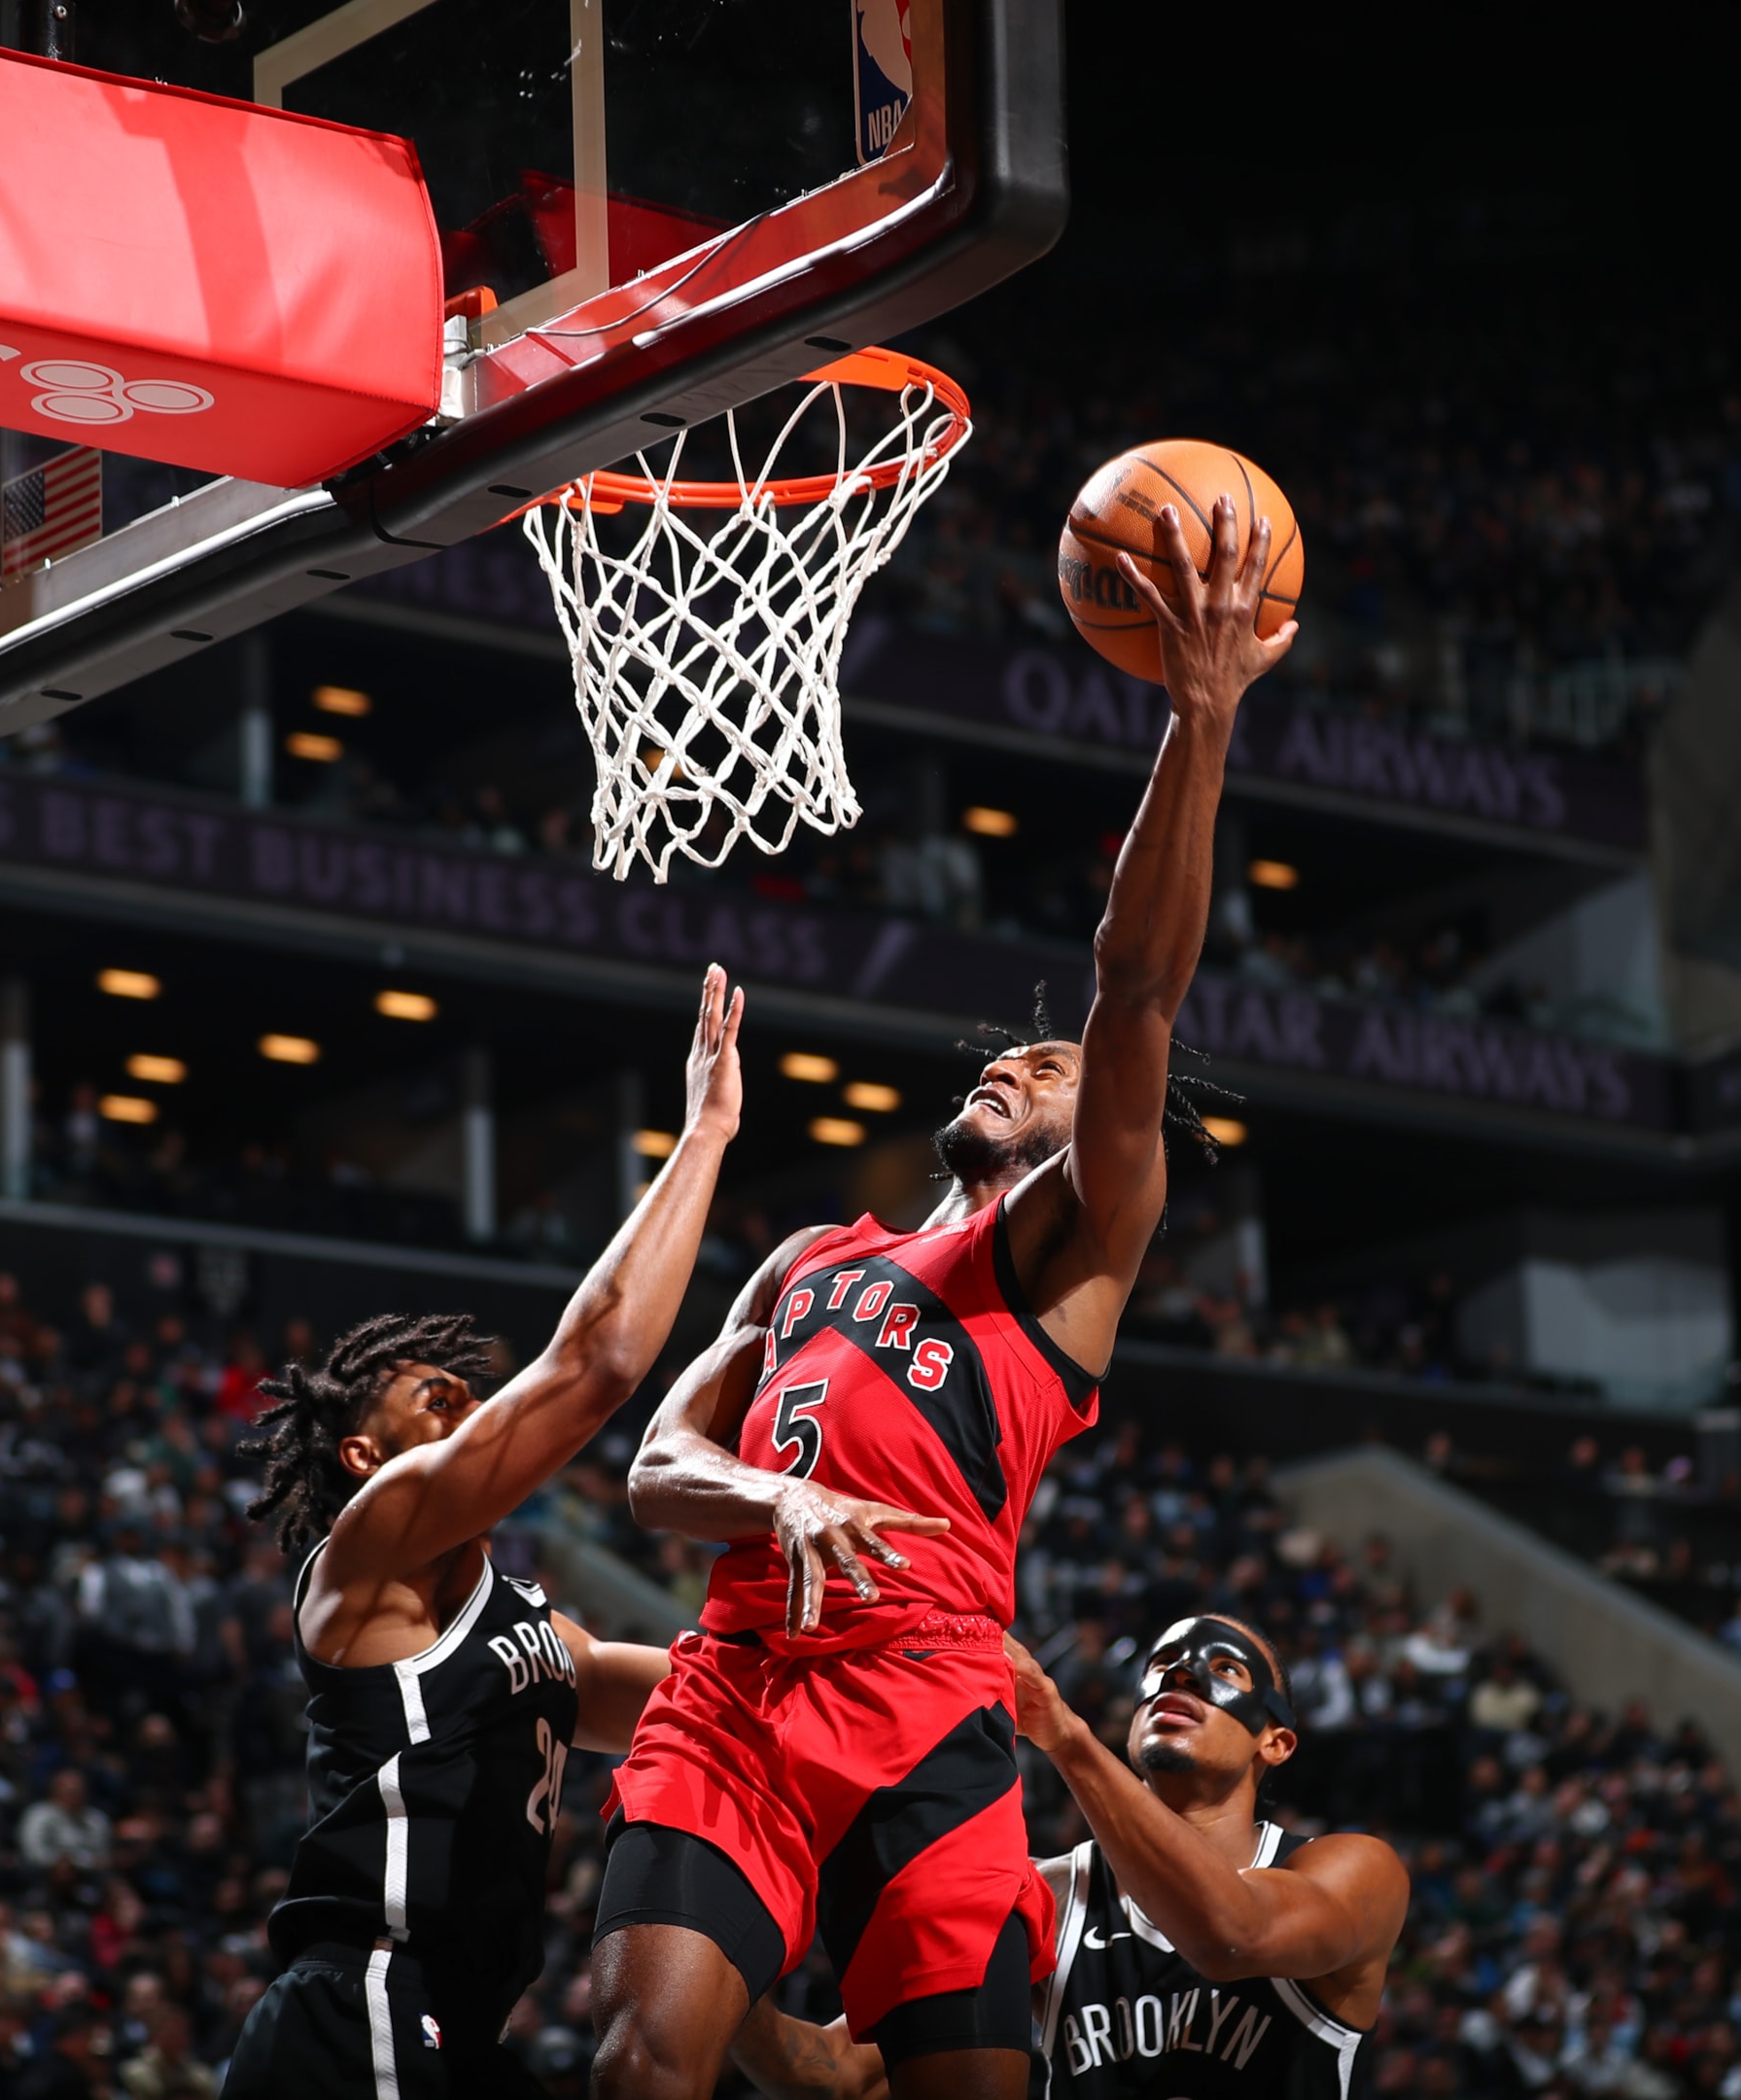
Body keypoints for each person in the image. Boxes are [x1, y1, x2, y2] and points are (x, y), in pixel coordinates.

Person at [593, 498, 1300, 2100]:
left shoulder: (1069, 1258)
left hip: (932, 1717)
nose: (1017, 1061)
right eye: (1008, 1053)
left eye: (1047, 1072)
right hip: (741, 1695)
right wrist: (779, 1501)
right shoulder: (809, 1263)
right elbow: (654, 1471)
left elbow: (1138, 991)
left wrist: (1199, 719)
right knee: (643, 2066)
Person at [216, 965, 745, 2100]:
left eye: (468, 1393)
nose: (466, 1407)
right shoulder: (370, 1550)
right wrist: (704, 1131)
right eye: (432, 1398)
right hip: (360, 2001)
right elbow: (597, 1363)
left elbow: (702, 1697)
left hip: (457, 2026)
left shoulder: (536, 1630)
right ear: (363, 1455)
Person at [726, 1617, 1408, 2099]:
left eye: (1224, 1668)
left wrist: (1069, 1740)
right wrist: (718, 1968)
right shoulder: (1049, 1896)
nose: (1182, 1674)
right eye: (1162, 1666)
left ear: (1276, 1742)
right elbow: (841, 2075)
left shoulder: (1351, 1869)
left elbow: (1233, 1936)